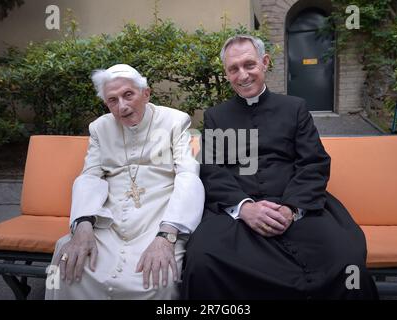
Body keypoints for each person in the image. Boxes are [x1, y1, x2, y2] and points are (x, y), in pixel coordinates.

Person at [180, 35, 378, 299]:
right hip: (239, 213)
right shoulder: (217, 116)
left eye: (249, 65)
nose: (243, 75)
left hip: (297, 207)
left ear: (264, 63)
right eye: (233, 69)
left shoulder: (295, 108)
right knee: (201, 260)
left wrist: (291, 208)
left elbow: (314, 162)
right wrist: (245, 208)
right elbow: (211, 169)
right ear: (226, 74)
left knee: (346, 261)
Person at [45, 64, 204, 300]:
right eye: (112, 100)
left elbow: (188, 175)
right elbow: (90, 175)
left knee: (160, 279)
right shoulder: (100, 127)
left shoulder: (174, 121)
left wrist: (167, 236)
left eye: (128, 94)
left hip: (157, 219)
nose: (122, 106)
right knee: (67, 266)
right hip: (109, 221)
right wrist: (83, 225)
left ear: (146, 93)